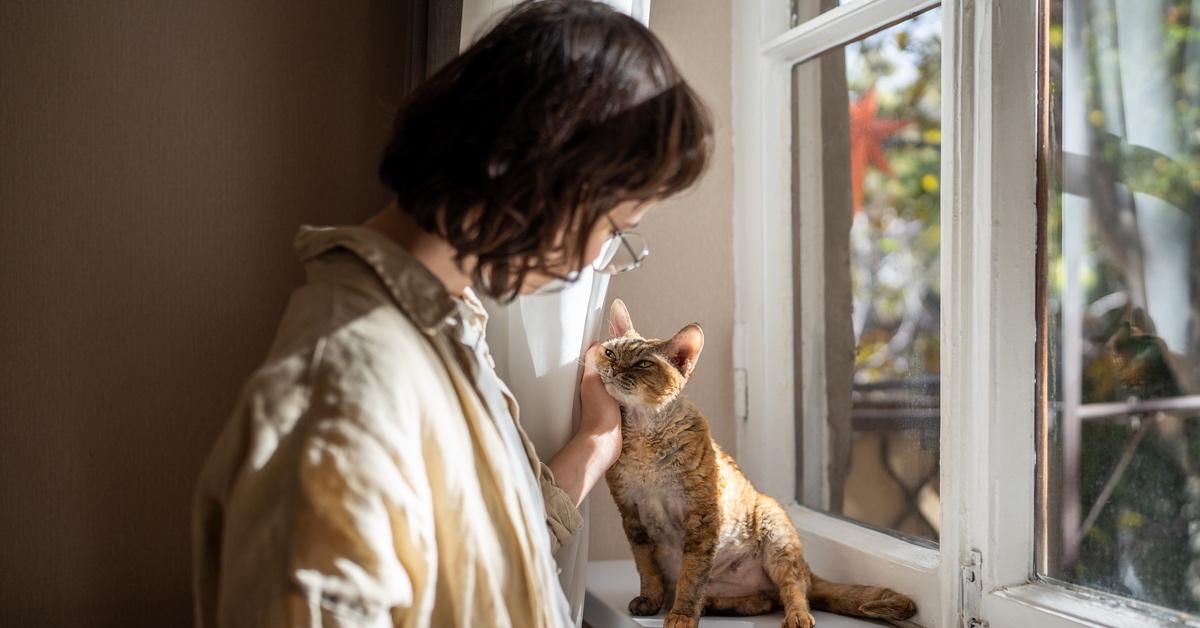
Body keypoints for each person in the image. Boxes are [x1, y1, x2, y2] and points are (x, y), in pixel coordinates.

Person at [192, 1, 711, 626]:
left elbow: (489, 559)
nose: (600, 260)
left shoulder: (446, 334)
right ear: (544, 171)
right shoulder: (344, 398)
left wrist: (597, 443)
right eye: (613, 228)